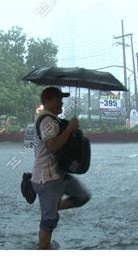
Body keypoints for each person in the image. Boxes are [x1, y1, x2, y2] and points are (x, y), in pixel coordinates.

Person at [31, 86, 91, 249]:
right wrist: (70, 128)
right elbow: (52, 147)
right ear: (47, 101)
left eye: (62, 100)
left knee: (82, 197)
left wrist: (72, 130)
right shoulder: (46, 121)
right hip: (47, 179)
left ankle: (52, 205)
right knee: (49, 221)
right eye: (58, 100)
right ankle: (43, 249)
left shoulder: (53, 120)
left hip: (59, 174)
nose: (61, 103)